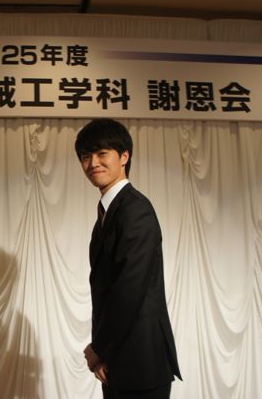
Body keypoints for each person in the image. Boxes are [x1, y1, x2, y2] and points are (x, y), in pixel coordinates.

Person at [75, 119, 181, 398]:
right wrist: (104, 353)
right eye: (85, 156)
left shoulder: (135, 210)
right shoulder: (109, 213)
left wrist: (98, 348)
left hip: (141, 363)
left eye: (102, 153)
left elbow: (129, 289)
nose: (93, 163)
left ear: (124, 156)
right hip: (118, 360)